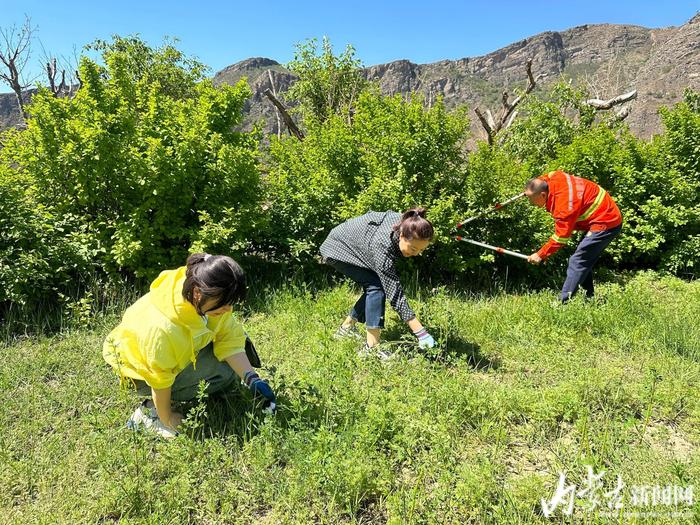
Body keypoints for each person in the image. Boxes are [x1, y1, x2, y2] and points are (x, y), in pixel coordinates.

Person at [103, 253, 276, 439]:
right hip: (136, 373)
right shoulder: (163, 329)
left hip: (163, 356)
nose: (228, 309)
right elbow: (159, 378)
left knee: (237, 357)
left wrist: (251, 378)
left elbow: (230, 337)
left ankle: (216, 383)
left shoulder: (205, 292)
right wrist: (167, 418)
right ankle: (148, 414)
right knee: (224, 373)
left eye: (231, 303)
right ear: (197, 293)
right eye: (224, 304)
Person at [320, 208, 436, 358]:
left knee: (376, 285)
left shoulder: (408, 223)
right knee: (376, 287)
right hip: (337, 249)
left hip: (355, 246)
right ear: (401, 235)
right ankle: (372, 348)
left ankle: (345, 329)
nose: (415, 254)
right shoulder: (383, 244)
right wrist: (420, 332)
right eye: (413, 248)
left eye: (421, 250)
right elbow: (394, 293)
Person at [524, 171, 623, 302]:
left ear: (543, 194)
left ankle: (562, 303)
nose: (531, 203)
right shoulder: (554, 176)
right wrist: (526, 192)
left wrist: (540, 254)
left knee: (577, 260)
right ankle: (589, 297)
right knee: (583, 259)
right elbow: (542, 179)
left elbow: (561, 237)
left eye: (531, 200)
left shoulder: (564, 206)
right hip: (603, 213)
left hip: (606, 222)